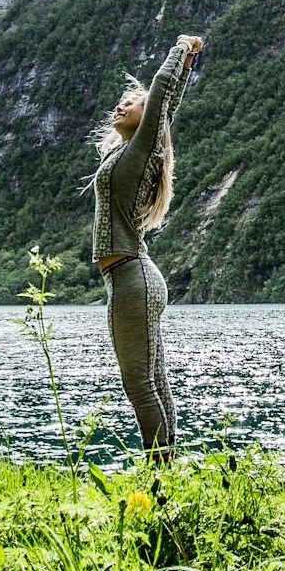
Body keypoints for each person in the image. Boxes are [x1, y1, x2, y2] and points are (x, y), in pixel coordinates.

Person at [90, 33, 203, 462]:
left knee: (139, 383)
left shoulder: (143, 148)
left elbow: (162, 98)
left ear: (145, 117)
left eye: (131, 103)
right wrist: (188, 67)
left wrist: (180, 49)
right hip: (135, 276)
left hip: (132, 277)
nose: (121, 106)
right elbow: (168, 103)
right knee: (154, 380)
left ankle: (158, 473)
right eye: (121, 102)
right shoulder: (132, 151)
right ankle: (167, 469)